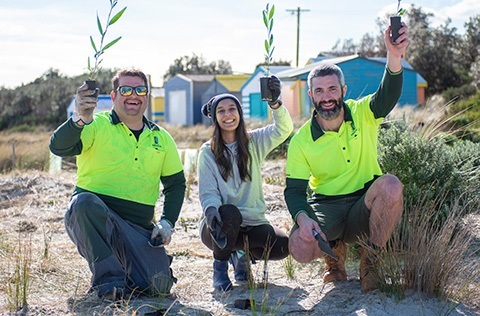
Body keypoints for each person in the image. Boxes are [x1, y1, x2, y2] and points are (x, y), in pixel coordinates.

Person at [284, 24, 409, 292]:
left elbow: (388, 95)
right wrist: (304, 220)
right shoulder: (301, 140)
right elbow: (294, 191)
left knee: (391, 185)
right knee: (298, 247)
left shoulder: (363, 112)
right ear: (311, 96)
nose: (326, 97)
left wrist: (394, 56)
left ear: (343, 90)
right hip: (326, 208)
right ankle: (334, 257)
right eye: (319, 91)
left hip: (364, 204)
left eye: (332, 89)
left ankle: (370, 262)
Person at [49, 68, 186, 300]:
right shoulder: (95, 125)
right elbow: (59, 148)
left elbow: (176, 185)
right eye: (126, 89)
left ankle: (127, 273)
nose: (134, 94)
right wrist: (78, 117)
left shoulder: (161, 138)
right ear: (113, 96)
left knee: (158, 288)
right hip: (94, 219)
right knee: (82, 203)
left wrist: (167, 222)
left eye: (140, 89)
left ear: (147, 96)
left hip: (138, 229)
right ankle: (109, 282)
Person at [198, 76, 294, 292]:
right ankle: (220, 268)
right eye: (221, 111)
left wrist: (275, 103)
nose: (228, 114)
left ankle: (241, 256)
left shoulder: (255, 141)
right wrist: (211, 210)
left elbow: (284, 129)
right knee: (230, 214)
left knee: (282, 246)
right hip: (218, 226)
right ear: (214, 118)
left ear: (239, 113)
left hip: (251, 222)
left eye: (232, 108)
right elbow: (208, 191)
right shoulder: (207, 152)